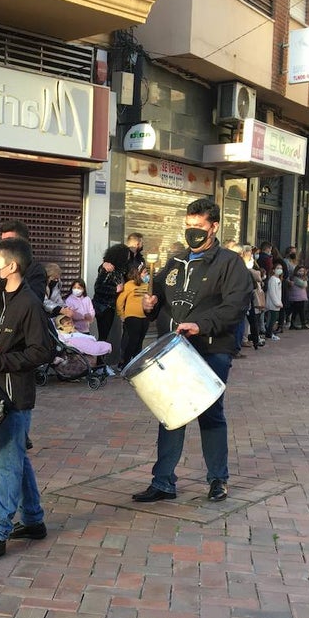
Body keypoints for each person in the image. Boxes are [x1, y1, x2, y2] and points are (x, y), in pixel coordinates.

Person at [132, 197, 252, 504]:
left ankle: (217, 479)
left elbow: (236, 306)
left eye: (198, 226)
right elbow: (157, 297)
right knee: (170, 412)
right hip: (174, 351)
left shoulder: (229, 263)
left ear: (213, 227)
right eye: (188, 226)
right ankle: (163, 481)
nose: (192, 232)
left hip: (211, 349)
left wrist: (202, 325)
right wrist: (149, 306)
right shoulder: (175, 262)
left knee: (210, 412)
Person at [0, 237, 54, 562]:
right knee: (17, 459)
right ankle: (33, 521)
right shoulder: (0, 301)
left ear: (12, 267)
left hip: (15, 397)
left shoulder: (28, 304)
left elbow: (41, 351)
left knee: (7, 465)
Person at [92, 243, 128, 373]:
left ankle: (101, 363)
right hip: (103, 307)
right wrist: (115, 289)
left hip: (110, 307)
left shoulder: (118, 270)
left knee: (105, 336)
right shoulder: (108, 269)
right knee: (103, 336)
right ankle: (99, 365)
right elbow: (98, 287)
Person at [0, 219, 46, 300]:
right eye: (2, 241)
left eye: (9, 241)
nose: (4, 245)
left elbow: (34, 300)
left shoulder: (36, 270)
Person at [115, 259, 149, 367]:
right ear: (137, 273)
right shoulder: (129, 285)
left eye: (147, 272)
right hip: (132, 317)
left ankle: (136, 364)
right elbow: (120, 301)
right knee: (132, 341)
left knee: (140, 342)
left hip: (145, 317)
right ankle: (125, 364)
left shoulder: (147, 285)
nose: (146, 274)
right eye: (144, 272)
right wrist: (122, 315)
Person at [288, 264, 309, 330]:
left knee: (300, 311)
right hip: (296, 298)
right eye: (300, 271)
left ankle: (302, 323)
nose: (301, 272)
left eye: (303, 271)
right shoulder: (295, 278)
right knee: (296, 311)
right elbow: (304, 284)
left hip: (301, 297)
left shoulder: (302, 278)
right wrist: (305, 279)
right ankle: (293, 324)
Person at [265, 262, 283, 340]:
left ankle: (270, 332)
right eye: (277, 268)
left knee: (274, 318)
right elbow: (272, 292)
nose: (280, 270)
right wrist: (277, 302)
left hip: (277, 303)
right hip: (273, 303)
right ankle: (269, 333)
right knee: (272, 319)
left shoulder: (277, 279)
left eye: (281, 268)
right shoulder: (273, 279)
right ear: (273, 270)